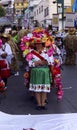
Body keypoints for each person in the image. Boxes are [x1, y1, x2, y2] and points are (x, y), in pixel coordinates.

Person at [27, 38, 53, 110]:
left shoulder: (47, 52)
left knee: (44, 88)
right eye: (36, 44)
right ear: (34, 45)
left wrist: (43, 62)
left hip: (45, 72)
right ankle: (39, 104)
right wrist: (37, 63)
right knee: (37, 88)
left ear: (42, 44)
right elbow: (30, 63)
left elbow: (51, 61)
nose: (38, 45)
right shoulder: (31, 53)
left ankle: (43, 104)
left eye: (39, 44)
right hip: (36, 72)